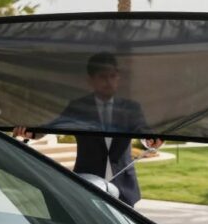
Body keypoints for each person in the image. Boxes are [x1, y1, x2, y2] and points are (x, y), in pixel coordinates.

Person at [14, 52, 162, 206]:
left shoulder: (131, 108)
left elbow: (142, 129)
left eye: (112, 76)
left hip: (124, 186)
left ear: (118, 78)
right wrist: (31, 132)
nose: (109, 81)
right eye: (103, 76)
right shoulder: (79, 107)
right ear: (91, 80)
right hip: (87, 183)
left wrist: (150, 141)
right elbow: (54, 126)